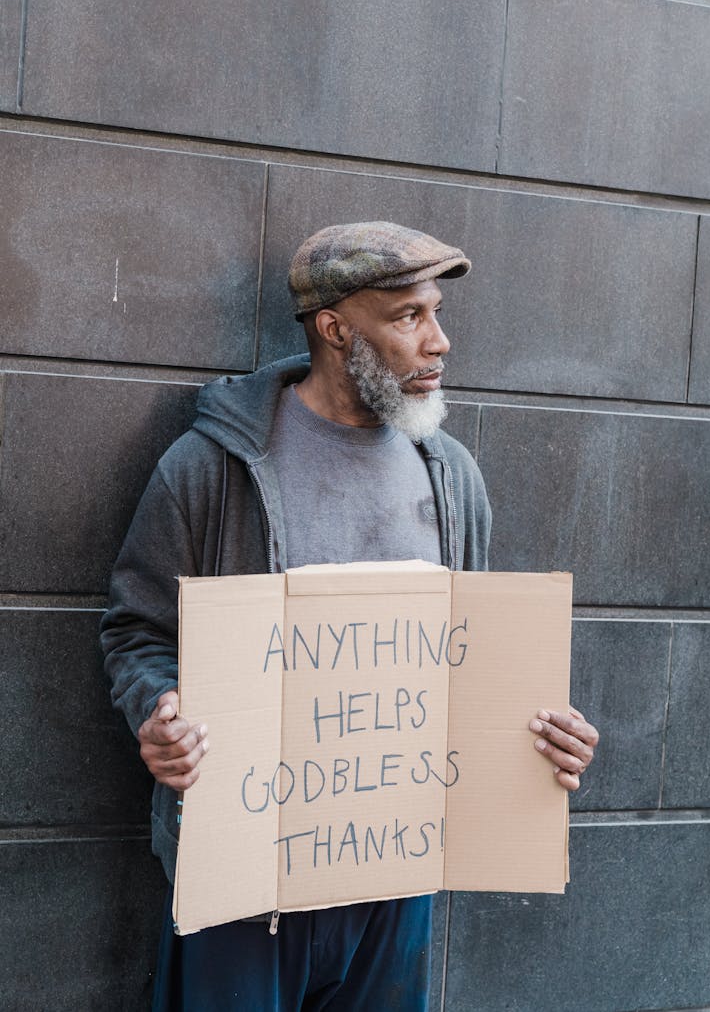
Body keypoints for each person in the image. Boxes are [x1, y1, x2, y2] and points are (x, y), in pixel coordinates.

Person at [100, 221, 598, 1011]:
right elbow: (136, 631)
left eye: (435, 312)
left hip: (398, 878)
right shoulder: (214, 465)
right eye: (407, 317)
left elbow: (471, 666)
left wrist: (542, 737)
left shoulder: (452, 475)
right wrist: (158, 713)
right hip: (243, 882)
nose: (437, 342)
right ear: (335, 329)